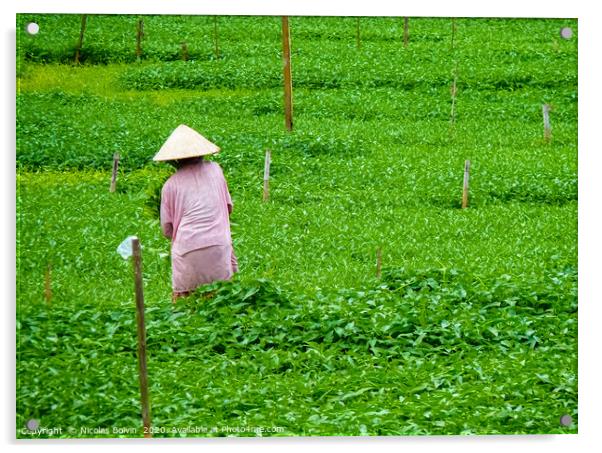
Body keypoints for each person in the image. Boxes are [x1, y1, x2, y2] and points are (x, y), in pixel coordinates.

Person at [153, 124, 238, 302]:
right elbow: (228, 208)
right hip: (219, 246)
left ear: (174, 160)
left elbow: (167, 230)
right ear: (202, 153)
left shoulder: (170, 185)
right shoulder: (216, 170)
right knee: (222, 300)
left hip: (187, 250)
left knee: (187, 305)